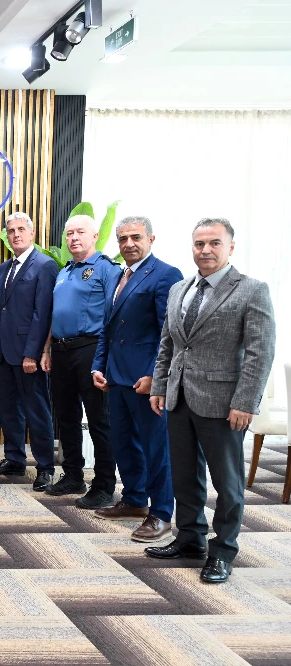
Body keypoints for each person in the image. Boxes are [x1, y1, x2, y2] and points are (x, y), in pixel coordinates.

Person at [146, 218, 275, 584]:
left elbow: (260, 352)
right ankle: (189, 538)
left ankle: (223, 551)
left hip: (224, 403)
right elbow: (169, 344)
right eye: (199, 243)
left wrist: (245, 402)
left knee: (227, 482)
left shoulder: (251, 290)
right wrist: (160, 386)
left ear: (230, 247)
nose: (205, 250)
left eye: (214, 243)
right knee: (184, 476)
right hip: (179, 398)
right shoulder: (179, 289)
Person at [92, 217, 183, 541]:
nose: (128, 243)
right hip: (116, 378)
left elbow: (168, 333)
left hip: (146, 382)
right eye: (123, 238)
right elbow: (107, 328)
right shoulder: (119, 276)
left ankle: (161, 513)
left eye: (135, 237)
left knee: (156, 449)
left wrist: (155, 377)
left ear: (151, 239)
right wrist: (98, 366)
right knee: (124, 444)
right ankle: (134, 500)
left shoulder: (166, 275)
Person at [40, 215, 119, 502]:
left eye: (80, 232)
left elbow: (114, 314)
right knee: (66, 417)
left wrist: (106, 358)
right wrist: (46, 349)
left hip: (91, 349)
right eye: (69, 233)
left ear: (95, 235)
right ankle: (73, 476)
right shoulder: (64, 271)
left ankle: (104, 485)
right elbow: (56, 314)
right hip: (61, 351)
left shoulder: (107, 269)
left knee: (99, 419)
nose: (73, 238)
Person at [0, 213, 57, 490]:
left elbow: (43, 314)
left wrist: (32, 354)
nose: (15, 234)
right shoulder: (4, 267)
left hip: (28, 355)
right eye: (11, 230)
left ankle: (45, 467)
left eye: (21, 229)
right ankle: (14, 459)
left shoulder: (45, 265)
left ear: (32, 233)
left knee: (37, 412)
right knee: (9, 410)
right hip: (3, 353)